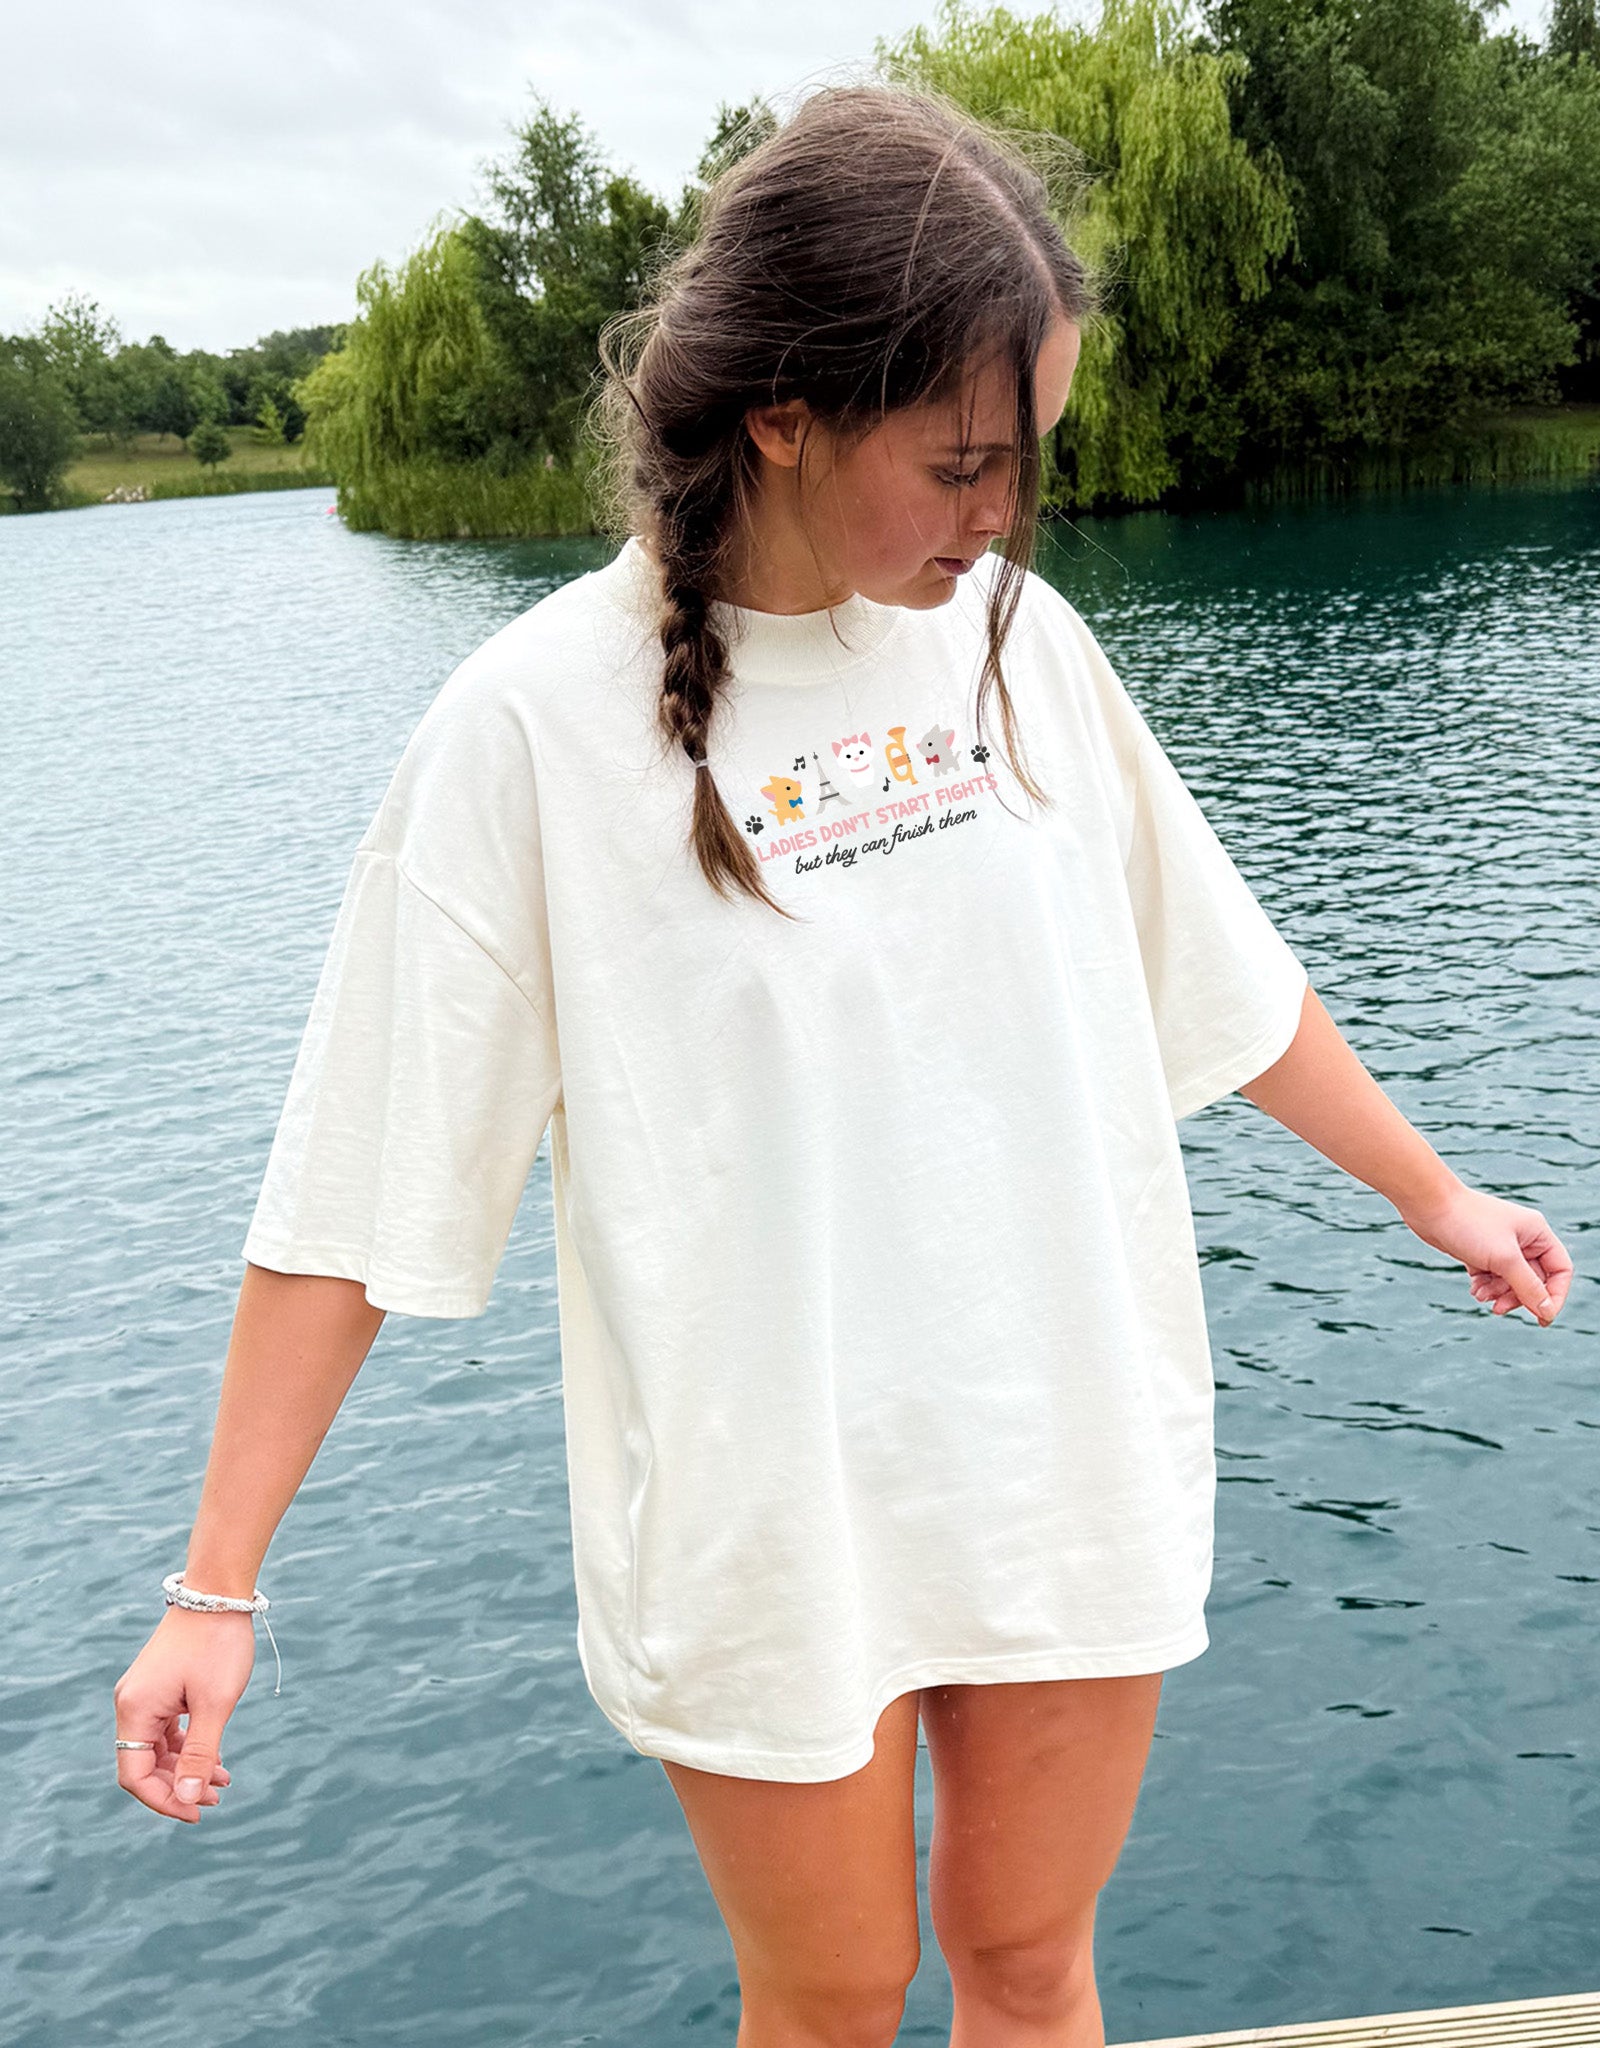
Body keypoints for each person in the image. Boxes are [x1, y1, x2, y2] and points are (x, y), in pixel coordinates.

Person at [112, 79, 1572, 2048]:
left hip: (1059, 1439)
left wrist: (1433, 1192)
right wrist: (216, 1585)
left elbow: (1213, 973)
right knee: (829, 1995)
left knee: (1031, 1965)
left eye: (1026, 463)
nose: (1002, 518)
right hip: (765, 1511)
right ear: (783, 414)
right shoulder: (528, 729)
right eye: (962, 463)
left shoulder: (1021, 649)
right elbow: (355, 1185)